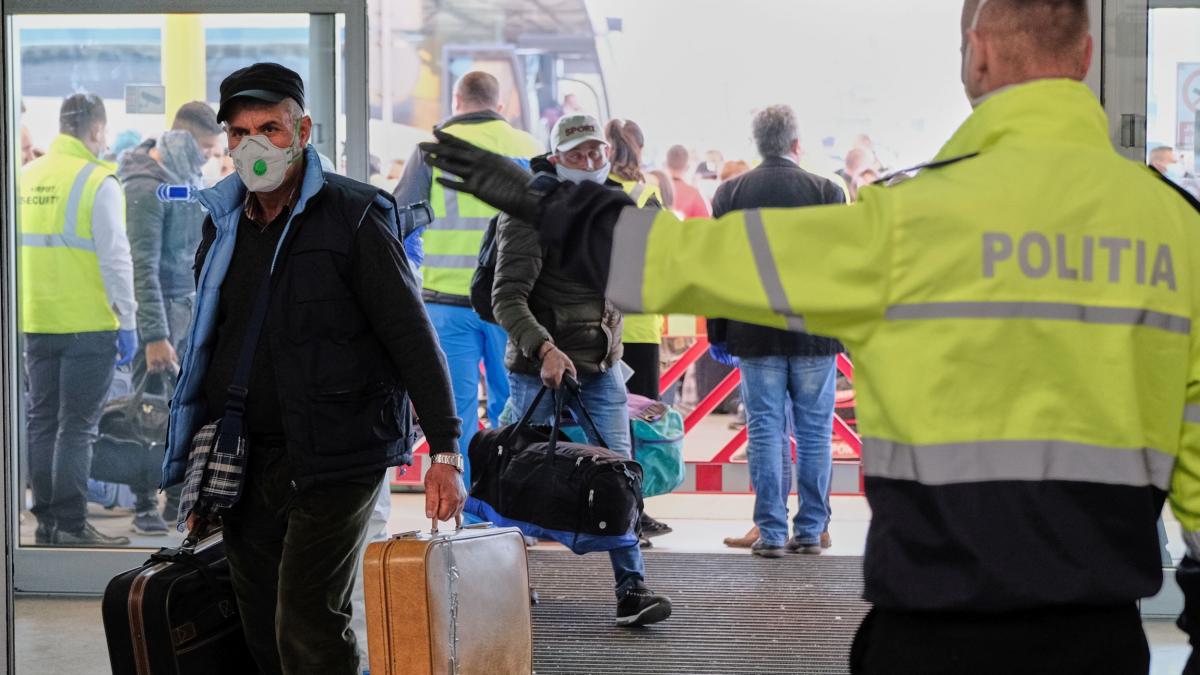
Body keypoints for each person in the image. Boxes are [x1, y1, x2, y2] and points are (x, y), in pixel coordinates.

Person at [421, 1, 1200, 671]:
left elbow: (686, 262)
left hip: (932, 632)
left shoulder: (907, 224)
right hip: (1102, 641)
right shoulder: (1177, 230)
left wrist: (548, 203)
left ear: (978, 54)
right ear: (1087, 55)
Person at [162, 63, 465, 675]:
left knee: (307, 618)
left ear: (302, 130)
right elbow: (211, 345)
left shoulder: (354, 217)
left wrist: (447, 450)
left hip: (339, 454)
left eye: (269, 128)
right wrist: (197, 462)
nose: (254, 145)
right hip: (247, 457)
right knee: (259, 620)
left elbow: (412, 336)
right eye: (240, 132)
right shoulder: (222, 225)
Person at [491, 113, 672, 627]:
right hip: (539, 369)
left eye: (596, 152)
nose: (590, 162)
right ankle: (508, 588)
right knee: (523, 477)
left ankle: (631, 590)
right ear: (555, 160)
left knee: (621, 476)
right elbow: (508, 297)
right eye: (577, 154)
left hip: (600, 368)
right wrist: (544, 349)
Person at [706, 106, 846, 559]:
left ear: (758, 144)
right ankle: (810, 529)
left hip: (755, 330)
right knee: (814, 431)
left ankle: (769, 530)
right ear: (796, 144)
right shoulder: (828, 191)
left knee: (764, 430)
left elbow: (719, 268)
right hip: (814, 332)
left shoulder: (730, 193)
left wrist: (719, 333)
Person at [393, 71, 542, 482]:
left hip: (445, 303)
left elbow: (400, 220)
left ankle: (467, 513)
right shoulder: (529, 148)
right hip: (512, 307)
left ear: (458, 101)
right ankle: (509, 510)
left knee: (454, 416)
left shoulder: (431, 149)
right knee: (513, 410)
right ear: (500, 104)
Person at [20, 93, 138, 547]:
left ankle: (47, 521)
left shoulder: (26, 177)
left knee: (42, 420)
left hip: (35, 321)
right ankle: (71, 524)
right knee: (78, 426)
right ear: (95, 131)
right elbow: (115, 259)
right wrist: (127, 319)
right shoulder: (97, 181)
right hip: (89, 324)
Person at [117, 101, 225, 535]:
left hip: (189, 313)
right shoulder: (146, 186)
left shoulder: (185, 181)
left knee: (186, 414)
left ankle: (176, 500)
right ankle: (145, 502)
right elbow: (143, 266)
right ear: (181, 139)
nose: (208, 156)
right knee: (148, 414)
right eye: (204, 146)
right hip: (158, 320)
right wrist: (156, 334)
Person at [604, 117, 673, 543]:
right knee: (638, 421)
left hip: (596, 325)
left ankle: (612, 512)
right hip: (639, 324)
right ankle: (635, 514)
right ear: (640, 149)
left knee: (604, 422)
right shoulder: (645, 196)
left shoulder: (585, 193)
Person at [664, 144, 711, 218]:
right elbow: (707, 226)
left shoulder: (655, 191)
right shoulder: (694, 195)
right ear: (687, 167)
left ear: (666, 164)